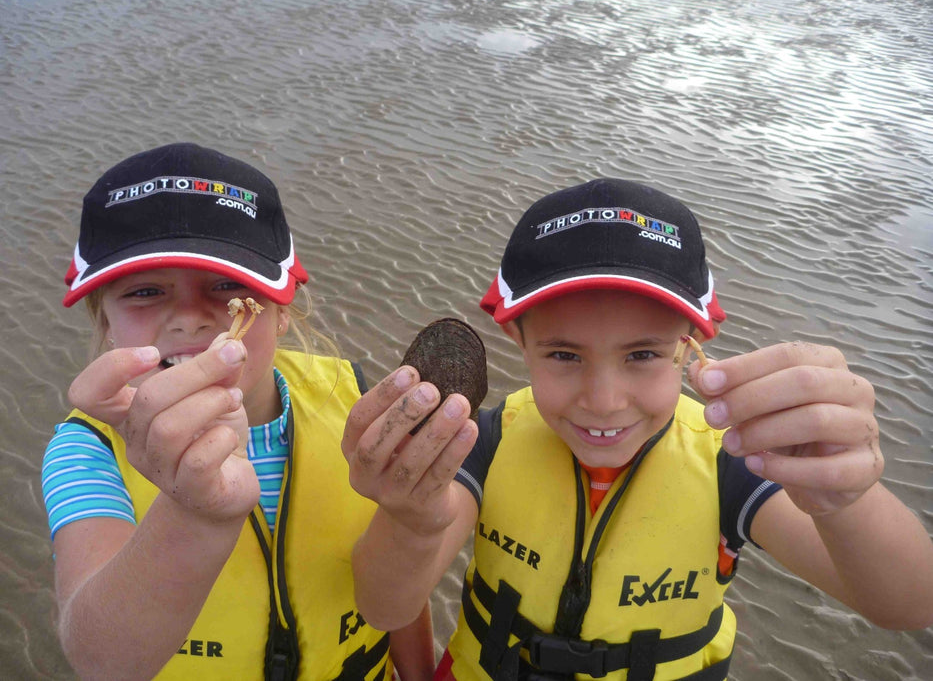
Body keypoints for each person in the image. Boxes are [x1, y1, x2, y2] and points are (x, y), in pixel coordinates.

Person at [342, 178, 933, 681]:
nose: (604, 402)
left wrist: (845, 499)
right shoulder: (487, 443)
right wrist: (413, 519)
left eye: (643, 355)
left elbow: (907, 603)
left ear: (693, 346)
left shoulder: (733, 460)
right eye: (565, 356)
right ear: (517, 339)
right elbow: (383, 605)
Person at [41, 143, 435, 681]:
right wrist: (195, 513)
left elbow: (398, 597)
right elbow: (100, 659)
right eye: (146, 291)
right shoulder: (86, 450)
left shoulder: (357, 405)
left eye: (228, 286)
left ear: (282, 310)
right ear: (104, 319)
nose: (188, 319)